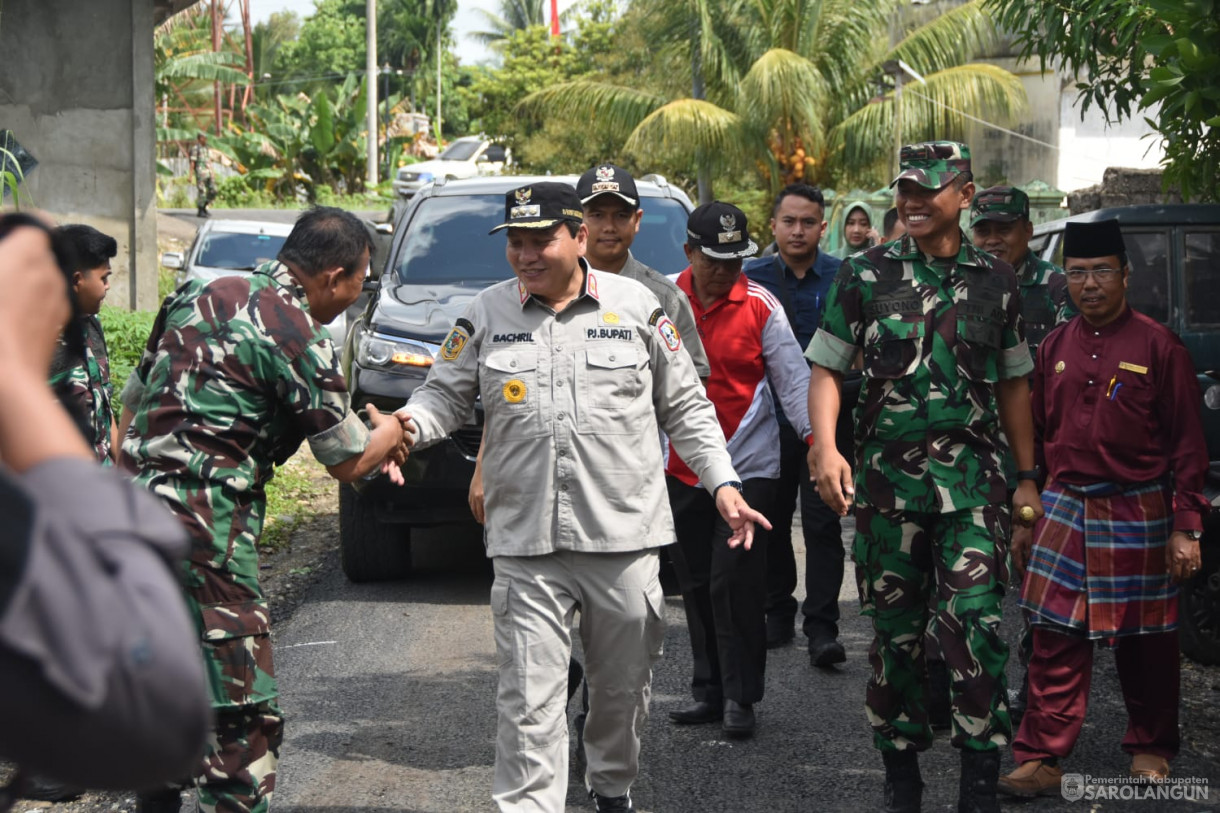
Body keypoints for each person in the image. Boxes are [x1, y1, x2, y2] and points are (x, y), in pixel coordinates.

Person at [397, 182, 770, 813]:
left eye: (540, 240)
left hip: (622, 538)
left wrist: (724, 485)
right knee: (528, 700)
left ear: (577, 237)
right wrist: (406, 428)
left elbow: (686, 409)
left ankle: (611, 787)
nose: (526, 255)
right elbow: (442, 396)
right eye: (515, 242)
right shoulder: (484, 314)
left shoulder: (640, 307)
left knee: (620, 691)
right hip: (525, 541)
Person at [118, 207, 410, 813]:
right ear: (333, 276)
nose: (359, 294)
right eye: (362, 280)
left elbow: (133, 396)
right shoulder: (296, 331)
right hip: (205, 528)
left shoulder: (199, 291)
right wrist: (393, 428)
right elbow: (349, 459)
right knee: (239, 708)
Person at [805, 141, 1042, 813]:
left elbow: (1015, 383)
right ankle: (901, 774)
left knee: (977, 623)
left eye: (927, 190)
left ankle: (977, 777)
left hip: (973, 488)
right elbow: (826, 367)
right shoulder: (865, 274)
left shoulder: (996, 280)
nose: (910, 201)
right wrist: (825, 446)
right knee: (895, 636)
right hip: (887, 491)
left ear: (964, 196)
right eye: (904, 189)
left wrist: (1026, 476)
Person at [0, 214, 210, 799]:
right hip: (52, 499)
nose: (109, 284)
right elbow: (156, 713)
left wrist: (117, 469)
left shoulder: (87, 333)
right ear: (68, 281)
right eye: (101, 274)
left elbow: (102, 407)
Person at [998, 219, 1208, 797]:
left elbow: (1189, 445)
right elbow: (1033, 440)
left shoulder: (1160, 346)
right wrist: (1025, 513)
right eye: (1077, 273)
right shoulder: (1053, 347)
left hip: (1139, 508)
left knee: (1148, 642)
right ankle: (1041, 756)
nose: (1089, 284)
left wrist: (1187, 527)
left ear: (1125, 276)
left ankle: (1151, 746)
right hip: (1063, 506)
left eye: (1101, 272)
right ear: (1065, 279)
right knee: (1054, 638)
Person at [666, 201, 812, 738]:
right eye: (714, 260)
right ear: (688, 253)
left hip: (749, 469)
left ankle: (740, 697)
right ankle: (707, 689)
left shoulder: (760, 303)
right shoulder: (661, 298)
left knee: (736, 585)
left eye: (736, 260)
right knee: (696, 583)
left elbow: (794, 380)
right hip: (679, 468)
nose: (727, 271)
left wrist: (816, 441)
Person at [743, 184, 852, 663]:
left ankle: (823, 628)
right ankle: (777, 611)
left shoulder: (846, 276)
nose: (797, 230)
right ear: (773, 226)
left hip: (830, 423)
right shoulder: (751, 277)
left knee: (824, 523)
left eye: (808, 222)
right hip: (768, 421)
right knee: (770, 518)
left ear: (823, 228)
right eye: (788, 221)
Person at [969, 185, 1073, 359]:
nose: (993, 240)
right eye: (983, 231)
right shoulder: (961, 284)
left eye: (1004, 229)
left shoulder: (1058, 287)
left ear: (1028, 230)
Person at [48, 224, 119, 464]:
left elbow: (105, 410)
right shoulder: (40, 339)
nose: (107, 286)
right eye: (104, 278)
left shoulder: (92, 327)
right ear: (77, 280)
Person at [189, 133, 216, 219]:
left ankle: (205, 206)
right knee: (202, 192)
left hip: (208, 172)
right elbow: (192, 162)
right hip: (200, 173)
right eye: (204, 137)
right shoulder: (195, 148)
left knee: (213, 190)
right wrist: (190, 175)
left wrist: (212, 171)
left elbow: (209, 160)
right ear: (200, 138)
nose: (206, 139)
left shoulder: (206, 148)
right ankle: (201, 210)